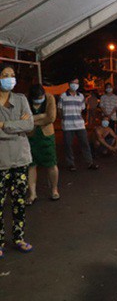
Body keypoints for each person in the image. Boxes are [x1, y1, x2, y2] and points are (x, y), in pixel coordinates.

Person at [0, 64, 34, 257]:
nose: (9, 79)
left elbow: (29, 125)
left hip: (20, 159)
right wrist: (17, 126)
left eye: (12, 75)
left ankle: (19, 237)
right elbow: (23, 125)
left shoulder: (20, 99)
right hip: (1, 160)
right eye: (5, 75)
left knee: (19, 201)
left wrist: (4, 125)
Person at [26, 84, 59, 204]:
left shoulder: (49, 98)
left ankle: (54, 189)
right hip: (30, 136)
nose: (40, 99)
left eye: (41, 96)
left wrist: (33, 119)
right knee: (31, 165)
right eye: (37, 97)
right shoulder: (25, 100)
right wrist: (41, 115)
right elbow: (23, 119)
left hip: (47, 136)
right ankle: (32, 194)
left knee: (51, 163)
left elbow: (51, 117)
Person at [58, 78, 99, 171]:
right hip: (67, 125)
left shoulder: (81, 96)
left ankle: (89, 162)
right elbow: (59, 109)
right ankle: (71, 164)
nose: (75, 85)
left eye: (77, 83)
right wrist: (63, 118)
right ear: (69, 84)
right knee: (68, 145)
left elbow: (82, 109)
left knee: (85, 143)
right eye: (73, 83)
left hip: (79, 124)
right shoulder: (63, 96)